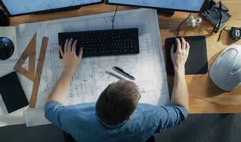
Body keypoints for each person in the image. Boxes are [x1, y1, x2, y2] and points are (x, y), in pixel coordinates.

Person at [45, 37, 190, 142]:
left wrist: (69, 68)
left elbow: (50, 107)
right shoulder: (150, 118)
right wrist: (179, 65)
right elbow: (181, 110)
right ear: (129, 117)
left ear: (97, 102)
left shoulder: (73, 118)